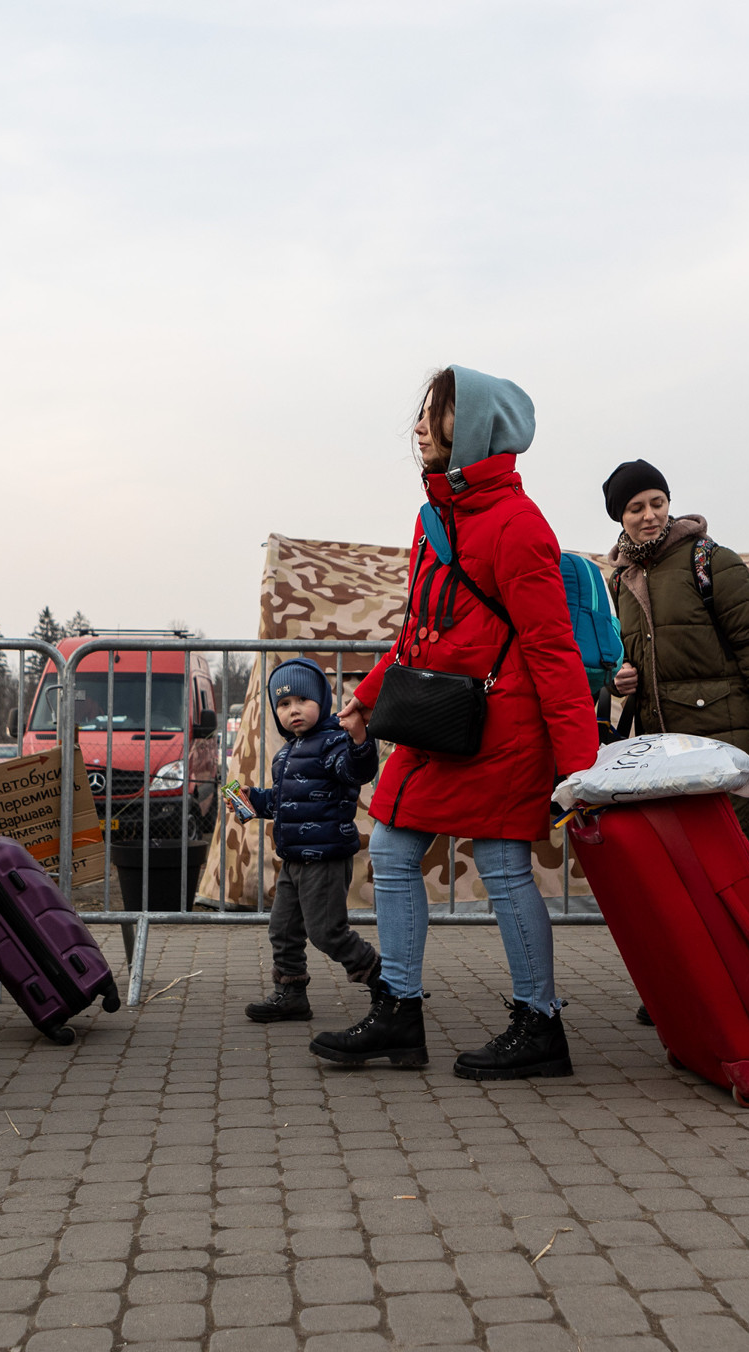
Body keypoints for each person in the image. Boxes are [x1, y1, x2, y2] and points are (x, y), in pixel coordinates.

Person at [316, 366, 598, 1079]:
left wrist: (577, 757)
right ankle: (399, 1014)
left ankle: (541, 1025)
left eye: (433, 412)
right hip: (437, 718)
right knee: (390, 849)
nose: (417, 425)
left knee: (503, 868)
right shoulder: (433, 517)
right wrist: (369, 697)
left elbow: (551, 644)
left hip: (503, 726)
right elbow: (419, 631)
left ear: (467, 427)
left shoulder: (518, 525)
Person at [603, 459, 749, 841]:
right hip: (664, 745)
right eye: (636, 508)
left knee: (724, 851)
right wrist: (620, 678)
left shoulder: (712, 561)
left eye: (658, 502)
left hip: (725, 739)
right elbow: (630, 654)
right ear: (620, 516)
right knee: (686, 857)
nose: (650, 515)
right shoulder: (621, 580)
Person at [238, 658, 382, 1023]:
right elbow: (283, 802)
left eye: (302, 700)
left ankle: (385, 982)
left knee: (327, 932)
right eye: (283, 705)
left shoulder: (334, 743)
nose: (293, 710)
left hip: (325, 856)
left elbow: (358, 771)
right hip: (293, 859)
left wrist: (361, 739)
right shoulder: (285, 753)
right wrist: (252, 799)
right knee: (283, 929)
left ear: (322, 699)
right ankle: (290, 994)